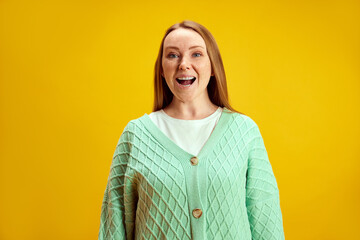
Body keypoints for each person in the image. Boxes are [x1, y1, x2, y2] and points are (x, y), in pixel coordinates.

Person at [98, 20, 285, 240]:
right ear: (161, 69)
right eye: (172, 55)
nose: (184, 64)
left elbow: (266, 222)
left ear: (213, 66)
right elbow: (114, 225)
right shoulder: (135, 135)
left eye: (196, 54)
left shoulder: (244, 131)